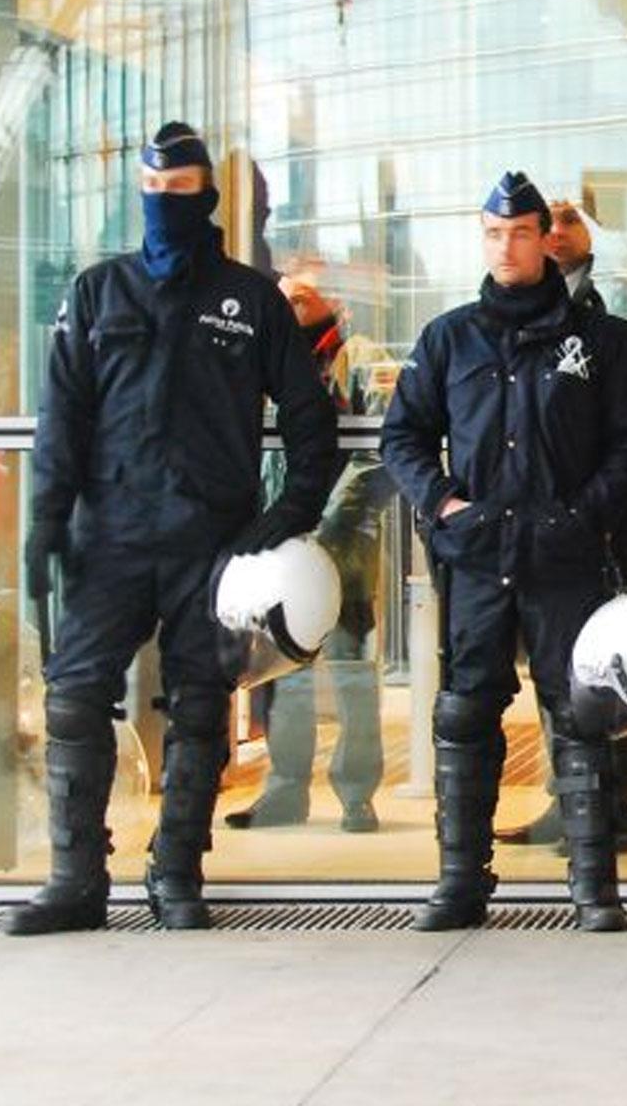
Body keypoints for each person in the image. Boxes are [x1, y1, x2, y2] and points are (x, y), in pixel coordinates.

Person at [12, 123, 339, 934]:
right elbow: (63, 420)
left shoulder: (249, 299)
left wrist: (286, 517)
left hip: (213, 541)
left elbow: (310, 420)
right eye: (153, 193)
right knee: (75, 700)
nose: (165, 206)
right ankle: (75, 880)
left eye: (181, 192)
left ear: (209, 198)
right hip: (109, 535)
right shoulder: (98, 294)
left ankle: (177, 872)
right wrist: (45, 522)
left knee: (200, 704)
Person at [381, 171, 627, 932]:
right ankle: (461, 884)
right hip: (476, 558)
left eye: (521, 233)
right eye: (494, 234)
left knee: (578, 714)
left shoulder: (597, 343)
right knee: (466, 713)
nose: (507, 246)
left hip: (565, 558)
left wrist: (584, 518)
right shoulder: (448, 338)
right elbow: (401, 437)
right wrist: (442, 505)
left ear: (547, 239)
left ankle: (593, 887)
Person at [493, 199, 627, 855]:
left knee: (616, 665)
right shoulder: (505, 318)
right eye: (536, 224)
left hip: (605, 528)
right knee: (562, 676)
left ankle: (619, 810)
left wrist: (618, 519)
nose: (552, 233)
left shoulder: (624, 308)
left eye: (565, 221)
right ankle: (571, 799)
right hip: (544, 534)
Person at [225, 269, 392, 834]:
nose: (289, 307)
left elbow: (383, 452)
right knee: (283, 668)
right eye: (284, 297)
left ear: (334, 302)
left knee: (350, 668)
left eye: (301, 298)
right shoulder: (264, 354)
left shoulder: (361, 359)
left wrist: (327, 524)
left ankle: (357, 793)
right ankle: (287, 788)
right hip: (283, 547)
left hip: (344, 546)